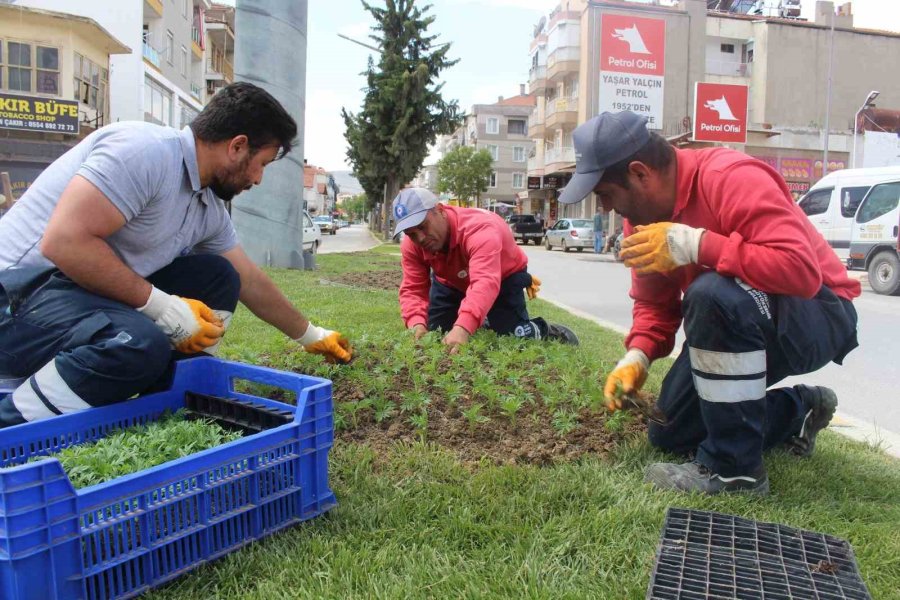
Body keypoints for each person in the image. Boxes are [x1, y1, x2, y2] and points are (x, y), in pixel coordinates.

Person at [0, 82, 352, 428]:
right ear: (237, 146)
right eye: (262, 164)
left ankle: (163, 402)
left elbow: (249, 280)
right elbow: (63, 243)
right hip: (17, 298)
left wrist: (311, 335)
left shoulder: (204, 203)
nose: (258, 179)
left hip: (72, 295)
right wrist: (162, 307)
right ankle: (11, 420)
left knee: (219, 276)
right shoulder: (143, 152)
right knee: (140, 343)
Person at [558, 111, 860, 495]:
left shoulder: (730, 177)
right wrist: (638, 355)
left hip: (821, 311)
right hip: (741, 314)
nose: (604, 208)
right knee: (670, 430)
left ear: (639, 174)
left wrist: (698, 245)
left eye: (605, 194)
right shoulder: (642, 220)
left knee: (711, 293)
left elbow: (800, 271)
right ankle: (798, 410)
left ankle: (735, 472)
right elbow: (655, 306)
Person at [394, 188, 579, 352]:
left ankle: (547, 330)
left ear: (440, 210)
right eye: (411, 234)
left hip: (503, 277)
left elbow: (485, 282)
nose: (420, 238)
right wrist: (416, 324)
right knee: (437, 331)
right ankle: (483, 319)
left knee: (514, 336)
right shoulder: (412, 245)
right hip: (452, 282)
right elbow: (413, 288)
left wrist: (463, 327)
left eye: (422, 226)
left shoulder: (479, 229)